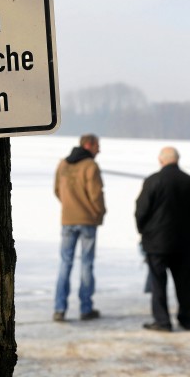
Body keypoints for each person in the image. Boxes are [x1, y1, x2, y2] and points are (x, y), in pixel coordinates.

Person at [135, 147, 190, 332]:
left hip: (156, 242)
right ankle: (186, 319)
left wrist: (144, 232)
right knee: (184, 283)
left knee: (158, 282)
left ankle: (162, 320)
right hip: (184, 241)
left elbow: (141, 210)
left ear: (161, 160)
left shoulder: (153, 181)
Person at [53, 134, 106, 322]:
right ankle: (85, 308)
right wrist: (99, 213)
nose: (99, 150)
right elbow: (96, 194)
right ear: (88, 145)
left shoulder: (63, 165)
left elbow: (57, 190)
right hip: (87, 220)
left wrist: (69, 206)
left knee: (65, 263)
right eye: (97, 146)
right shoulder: (90, 166)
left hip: (67, 220)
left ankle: (59, 308)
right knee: (86, 263)